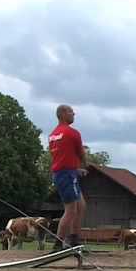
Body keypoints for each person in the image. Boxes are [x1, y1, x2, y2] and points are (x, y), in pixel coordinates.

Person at [48, 104, 88, 251]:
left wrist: (75, 169)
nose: (74, 114)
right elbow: (80, 153)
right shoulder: (73, 133)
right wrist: (85, 164)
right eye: (71, 112)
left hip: (63, 173)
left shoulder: (53, 134)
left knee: (81, 206)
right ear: (63, 114)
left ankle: (75, 239)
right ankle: (58, 244)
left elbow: (61, 157)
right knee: (71, 209)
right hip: (67, 175)